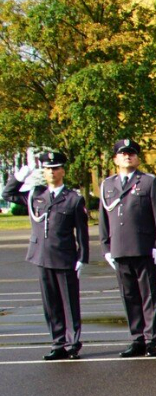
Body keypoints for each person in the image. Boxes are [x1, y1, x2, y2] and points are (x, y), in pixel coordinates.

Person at [101, 138, 156, 357]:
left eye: (131, 153)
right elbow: (104, 219)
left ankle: (151, 339)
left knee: (148, 295)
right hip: (120, 249)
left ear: (137, 158)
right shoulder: (107, 185)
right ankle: (137, 337)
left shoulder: (148, 182)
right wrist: (106, 247)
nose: (127, 156)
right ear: (115, 159)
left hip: (144, 248)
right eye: (122, 154)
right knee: (129, 296)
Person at [24, 151, 90, 360]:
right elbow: (8, 194)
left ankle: (72, 343)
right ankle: (57, 342)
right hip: (41, 256)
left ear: (62, 171)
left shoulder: (72, 199)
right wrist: (22, 174)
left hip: (64, 256)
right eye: (47, 169)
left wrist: (82, 257)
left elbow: (82, 231)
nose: (51, 172)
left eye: (55, 168)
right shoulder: (37, 196)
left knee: (69, 303)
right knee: (50, 304)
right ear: (43, 172)